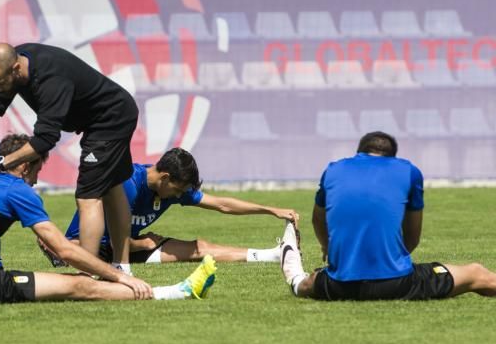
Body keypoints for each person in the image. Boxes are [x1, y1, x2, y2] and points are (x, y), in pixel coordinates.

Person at [0, 134, 217, 304]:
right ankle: (174, 292)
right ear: (24, 166)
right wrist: (118, 274)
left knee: (72, 278)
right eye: (38, 170)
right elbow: (64, 250)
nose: (37, 180)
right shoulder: (16, 190)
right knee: (80, 284)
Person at [0, 42, 139, 272]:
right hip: (101, 118)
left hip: (110, 119)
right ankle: (122, 266)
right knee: (112, 187)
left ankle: (87, 275)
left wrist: (0, 163)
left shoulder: (51, 79)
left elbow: (44, 140)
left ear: (16, 69)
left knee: (87, 197)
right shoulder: (8, 68)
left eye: (0, 83)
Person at [279, 131, 496, 301]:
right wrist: (389, 262)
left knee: (311, 282)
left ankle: (297, 282)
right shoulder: (408, 171)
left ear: (359, 153)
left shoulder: (333, 170)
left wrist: (328, 248)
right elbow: (412, 239)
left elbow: (317, 220)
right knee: (476, 273)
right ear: (392, 157)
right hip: (397, 283)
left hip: (340, 286)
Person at [42, 147, 298, 267]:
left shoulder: (171, 191)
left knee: (202, 248)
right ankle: (59, 253)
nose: (179, 196)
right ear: (165, 178)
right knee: (73, 248)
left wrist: (271, 210)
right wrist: (142, 244)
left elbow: (222, 204)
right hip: (94, 247)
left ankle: (272, 254)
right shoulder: (127, 184)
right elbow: (107, 241)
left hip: (130, 245)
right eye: (177, 190)